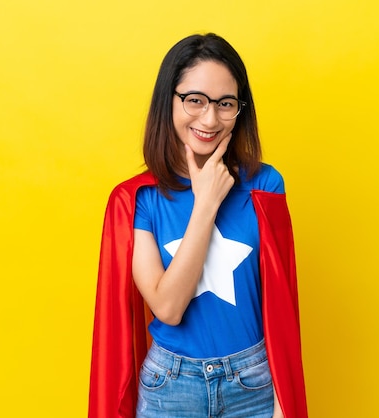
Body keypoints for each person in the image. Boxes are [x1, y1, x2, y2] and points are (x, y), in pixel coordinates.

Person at [89, 33, 307, 418]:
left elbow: (283, 310)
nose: (210, 118)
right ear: (168, 100)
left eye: (226, 104)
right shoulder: (138, 199)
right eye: (195, 100)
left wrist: (281, 405)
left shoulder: (265, 186)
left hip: (252, 384)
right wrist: (205, 203)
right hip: (170, 388)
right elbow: (168, 308)